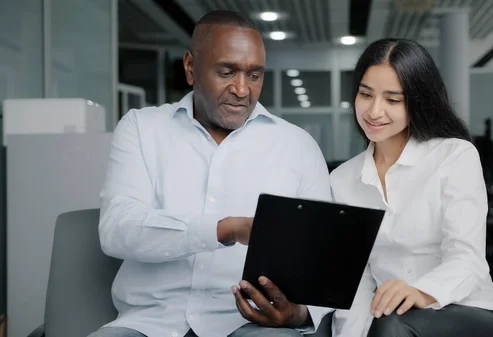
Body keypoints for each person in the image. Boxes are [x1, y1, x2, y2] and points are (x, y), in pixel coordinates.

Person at [89, 10, 332, 337]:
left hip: (251, 324)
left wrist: (299, 313)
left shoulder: (298, 146)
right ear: (191, 67)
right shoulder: (142, 128)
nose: (242, 89)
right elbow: (118, 228)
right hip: (150, 323)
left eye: (255, 75)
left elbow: (324, 257)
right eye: (227, 71)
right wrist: (223, 229)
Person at [328, 38, 493, 337]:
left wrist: (421, 292)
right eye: (365, 94)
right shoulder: (341, 180)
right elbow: (356, 281)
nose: (374, 111)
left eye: (393, 100)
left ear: (418, 102)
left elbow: (467, 260)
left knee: (391, 322)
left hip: (473, 311)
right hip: (392, 321)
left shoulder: (454, 156)